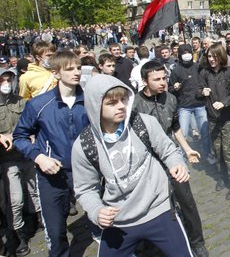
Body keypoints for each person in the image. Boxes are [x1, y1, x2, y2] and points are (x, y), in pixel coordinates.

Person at [72, 75, 192, 257]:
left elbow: (168, 149)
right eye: (112, 103)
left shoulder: (143, 122)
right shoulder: (84, 145)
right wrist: (97, 211)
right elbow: (84, 188)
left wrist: (176, 163)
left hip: (158, 209)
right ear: (95, 106)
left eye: (123, 99)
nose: (121, 106)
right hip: (119, 221)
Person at [13, 51, 89, 257]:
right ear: (56, 73)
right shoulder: (39, 104)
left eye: (79, 68)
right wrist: (39, 157)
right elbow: (19, 137)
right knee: (55, 232)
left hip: (88, 173)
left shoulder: (91, 100)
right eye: (70, 69)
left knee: (104, 222)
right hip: (52, 176)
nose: (77, 73)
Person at [132, 61, 208, 257]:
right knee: (153, 206)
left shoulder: (171, 99)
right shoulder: (134, 104)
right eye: (156, 79)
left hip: (172, 158)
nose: (162, 82)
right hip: (148, 162)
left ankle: (197, 242)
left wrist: (188, 149)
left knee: (187, 202)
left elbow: (175, 128)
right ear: (144, 81)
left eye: (164, 78)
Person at [0, 68, 41, 256]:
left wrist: (32, 135)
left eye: (8, 80)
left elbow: (32, 123)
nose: (6, 84)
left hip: (26, 155)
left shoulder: (21, 102)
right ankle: (18, 233)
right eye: (2, 80)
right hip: (7, 160)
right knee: (15, 199)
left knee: (35, 191)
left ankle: (37, 220)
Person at [198, 43, 230, 199]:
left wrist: (224, 102)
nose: (212, 59)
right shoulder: (204, 73)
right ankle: (223, 178)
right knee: (217, 151)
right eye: (209, 56)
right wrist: (201, 92)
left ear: (221, 56)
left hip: (229, 118)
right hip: (212, 119)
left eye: (215, 56)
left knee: (228, 151)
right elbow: (197, 91)